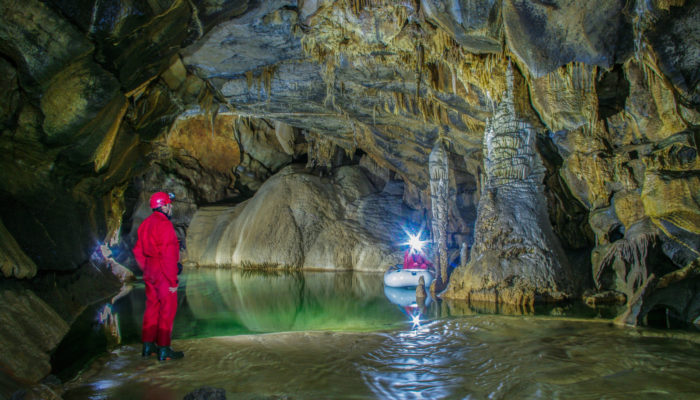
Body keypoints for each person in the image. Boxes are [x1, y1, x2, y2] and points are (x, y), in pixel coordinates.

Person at [132, 191, 184, 361]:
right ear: (164, 206)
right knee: (167, 310)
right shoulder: (165, 225)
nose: (171, 207)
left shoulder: (145, 224)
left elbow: (138, 251)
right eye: (169, 204)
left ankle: (148, 346)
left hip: (150, 271)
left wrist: (146, 269)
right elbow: (168, 254)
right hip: (163, 271)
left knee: (151, 308)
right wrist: (173, 279)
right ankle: (163, 348)